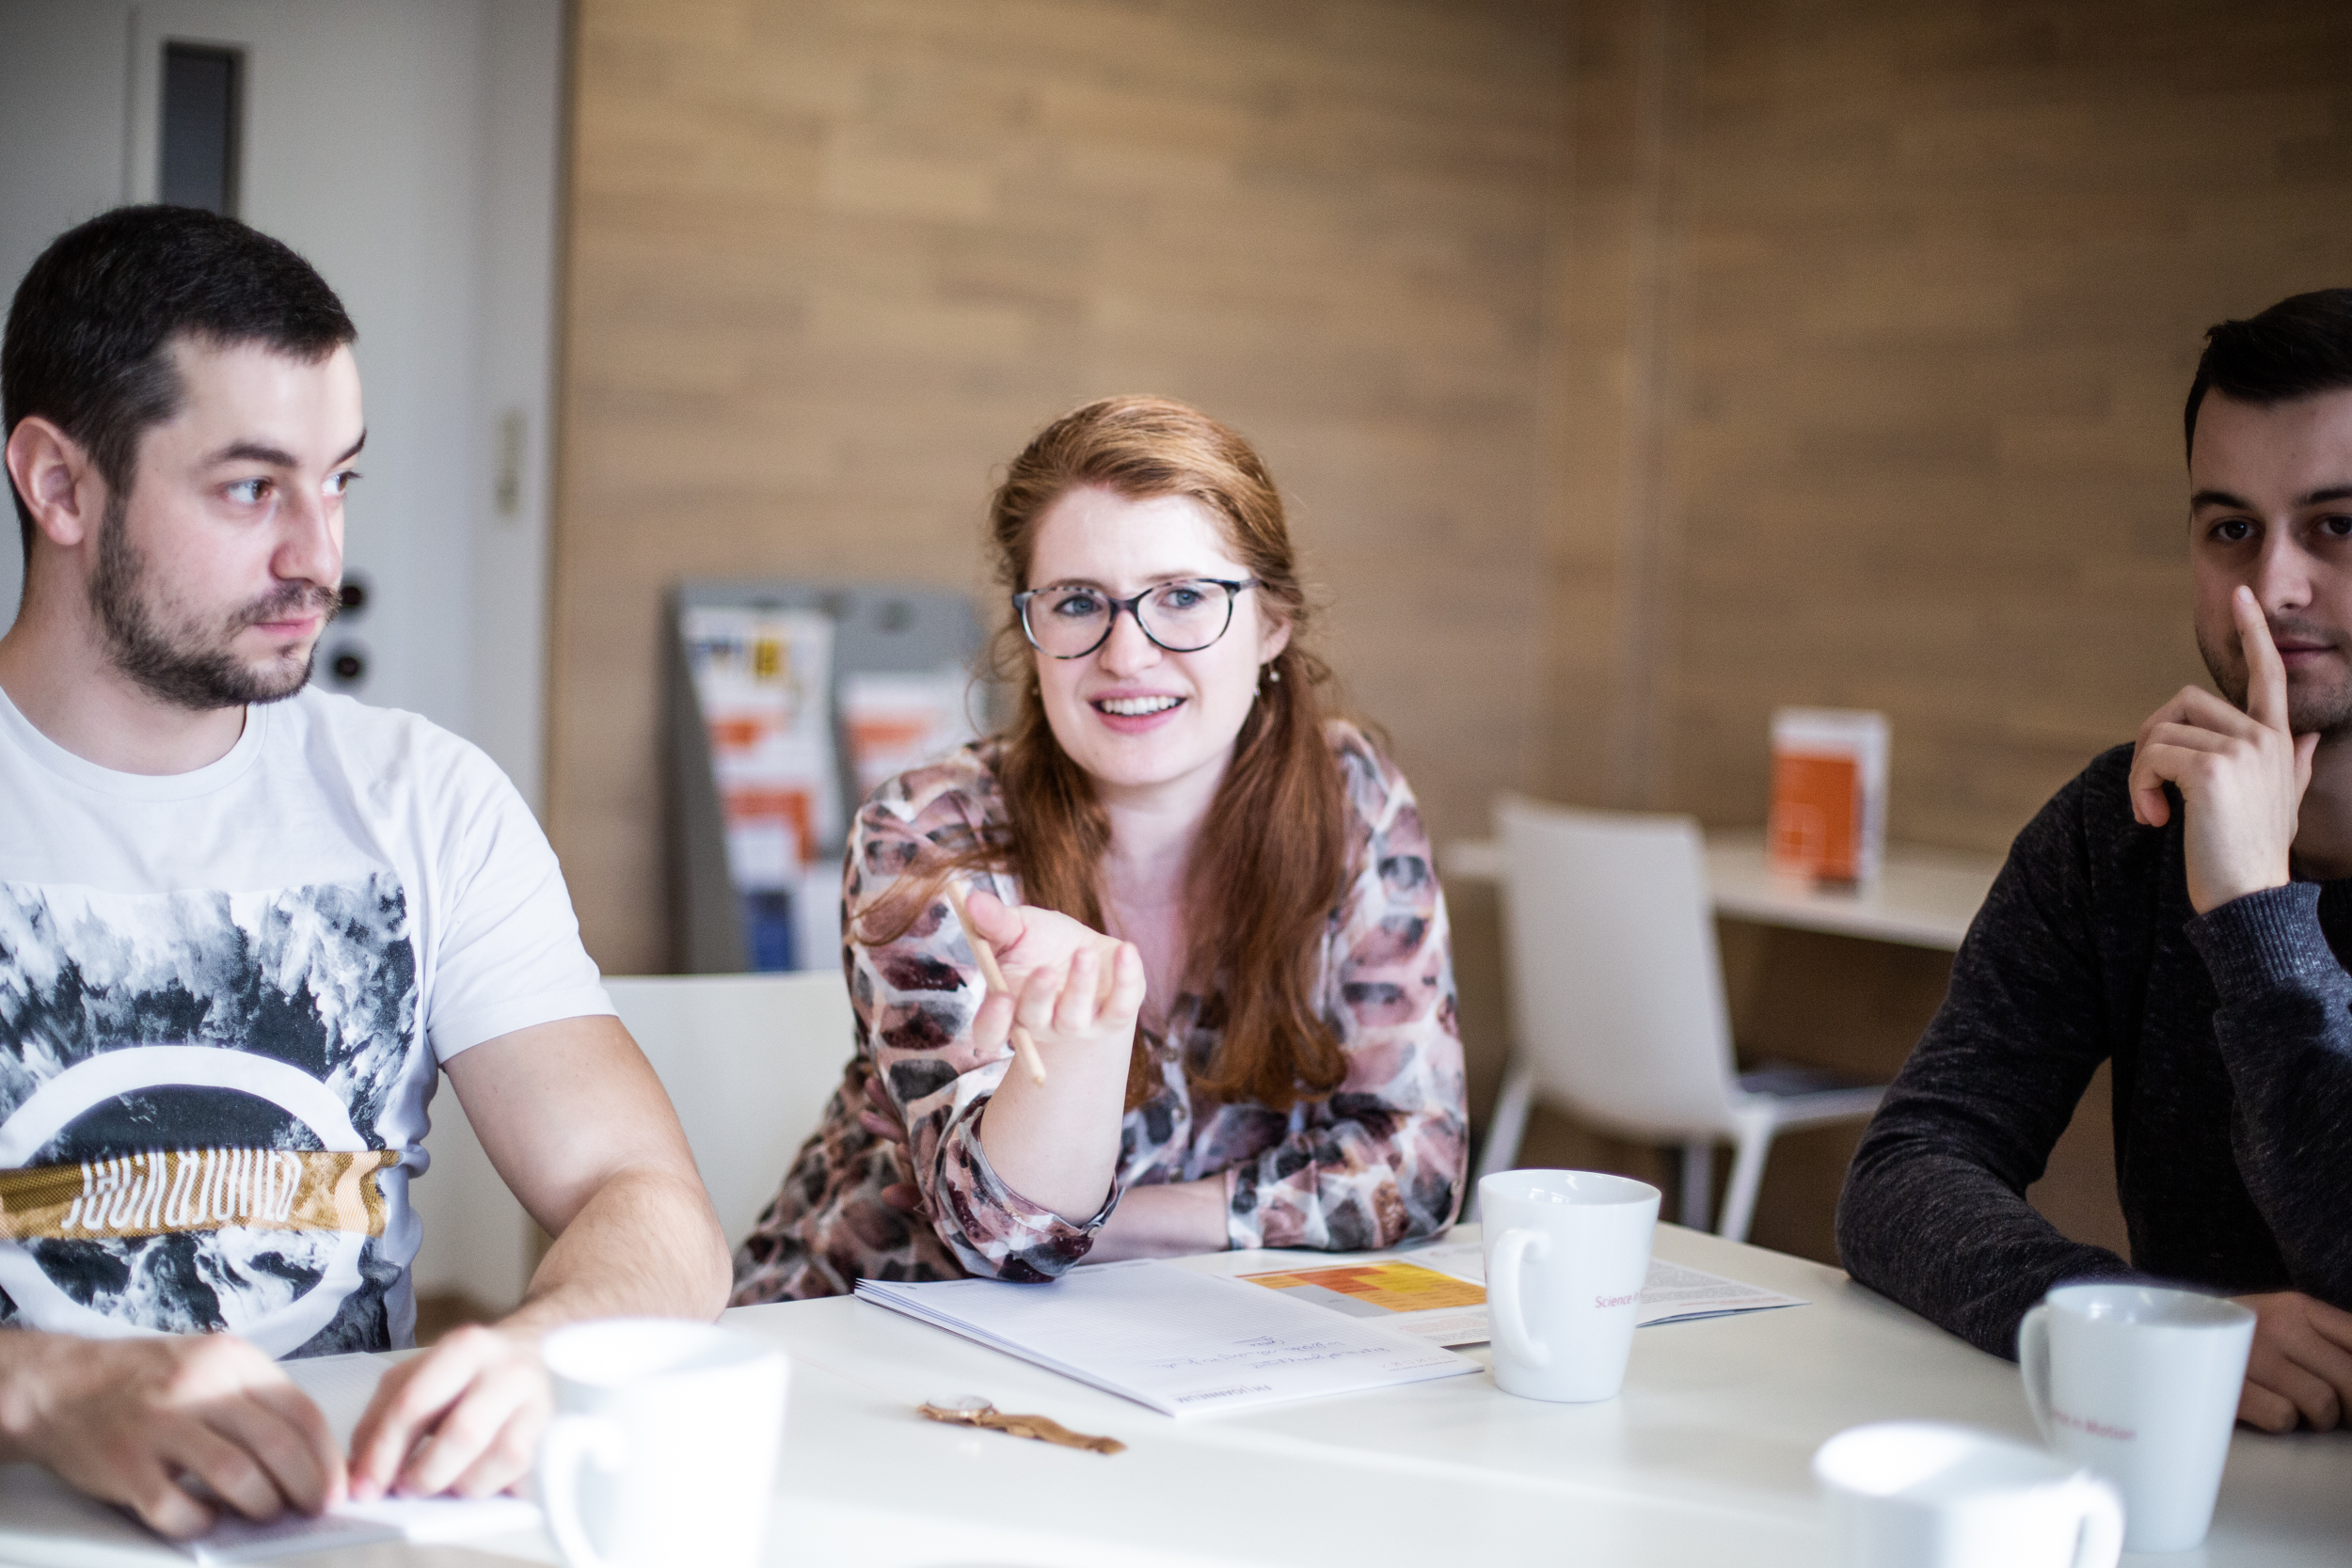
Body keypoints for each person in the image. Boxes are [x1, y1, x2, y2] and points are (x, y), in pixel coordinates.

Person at [0, 206, 730, 1536]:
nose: (317, 556)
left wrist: (544, 1346)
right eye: (249, 487)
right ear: (59, 485)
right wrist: (41, 1384)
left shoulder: (424, 802)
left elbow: (652, 1207)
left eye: (338, 480)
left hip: (339, 1527)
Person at [731, 396, 1467, 1301]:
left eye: (1185, 597)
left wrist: (1129, 1228)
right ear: (1031, 635)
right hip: (868, 1335)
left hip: (1179, 1344)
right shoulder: (928, 833)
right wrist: (1085, 1041)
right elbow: (1004, 1240)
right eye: (1079, 603)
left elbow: (1420, 1161)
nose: (1127, 653)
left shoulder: (1353, 799)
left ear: (1273, 621)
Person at [1838, 289, 2352, 1434]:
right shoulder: (2119, 827)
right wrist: (2135, 1325)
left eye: (2337, 525)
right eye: (2229, 528)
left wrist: (2255, 915)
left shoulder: (2212, 868)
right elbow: (1906, 1168)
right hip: (2182, 1480)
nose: (2271, 588)